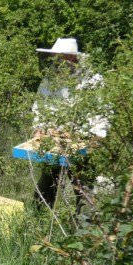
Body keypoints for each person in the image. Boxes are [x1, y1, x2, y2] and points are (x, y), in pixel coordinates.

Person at [31, 37, 106, 209]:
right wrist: (39, 129)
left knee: (83, 188)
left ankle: (86, 230)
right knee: (47, 184)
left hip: (82, 144)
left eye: (60, 57)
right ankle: (36, 221)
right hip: (53, 145)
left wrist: (89, 139)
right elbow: (39, 107)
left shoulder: (93, 81)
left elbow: (101, 116)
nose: (56, 61)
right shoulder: (50, 79)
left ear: (71, 57)